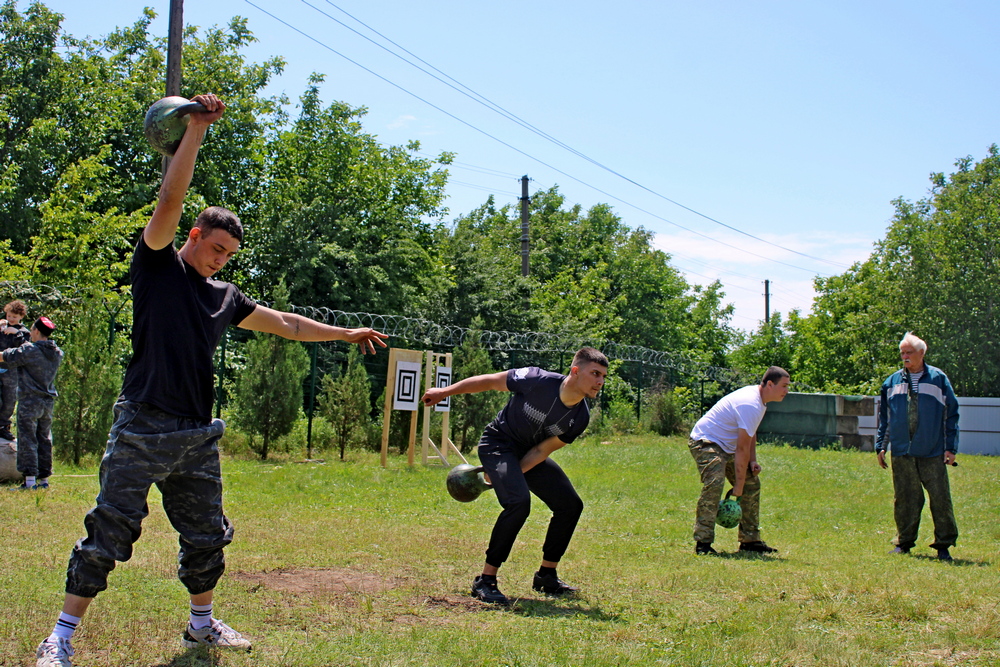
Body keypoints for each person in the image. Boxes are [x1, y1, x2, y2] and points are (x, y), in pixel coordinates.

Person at [34, 94, 388, 667]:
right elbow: (170, 199)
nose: (220, 260)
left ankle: (201, 627)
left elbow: (287, 324)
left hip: (197, 434)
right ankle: (61, 637)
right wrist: (196, 129)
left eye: (229, 255)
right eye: (215, 248)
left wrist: (345, 333)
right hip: (143, 423)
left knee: (206, 535)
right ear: (194, 235)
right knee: (111, 531)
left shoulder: (224, 296)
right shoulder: (158, 266)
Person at [421, 347, 608, 606]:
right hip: (498, 444)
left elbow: (541, 451)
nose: (600, 381)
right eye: (595, 373)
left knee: (570, 505)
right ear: (575, 371)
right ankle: (485, 580)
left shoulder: (580, 417)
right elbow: (490, 381)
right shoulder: (536, 379)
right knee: (518, 503)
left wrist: (510, 475)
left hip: (529, 453)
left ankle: (546, 576)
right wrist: (444, 392)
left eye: (603, 376)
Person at [688, 366, 790, 555]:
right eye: (784, 386)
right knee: (715, 483)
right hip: (706, 441)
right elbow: (742, 448)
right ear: (770, 384)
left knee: (752, 484)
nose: (787, 390)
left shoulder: (760, 402)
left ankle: (750, 541)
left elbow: (750, 434)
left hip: (727, 445)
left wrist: (753, 461)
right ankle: (703, 543)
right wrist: (738, 485)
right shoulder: (750, 403)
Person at [876, 332, 959, 561]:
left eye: (909, 352)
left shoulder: (938, 379)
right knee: (905, 499)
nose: (905, 356)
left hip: (932, 450)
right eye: (902, 352)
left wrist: (950, 448)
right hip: (902, 451)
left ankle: (943, 545)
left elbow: (951, 414)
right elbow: (885, 418)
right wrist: (881, 446)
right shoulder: (891, 382)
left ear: (922, 353)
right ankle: (904, 542)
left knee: (940, 498)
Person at [1, 316, 62, 490]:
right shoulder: (56, 352)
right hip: (47, 402)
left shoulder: (29, 350)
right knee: (44, 439)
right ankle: (44, 480)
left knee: (27, 439)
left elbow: (5, 357)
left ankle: (29, 481)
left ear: (35, 330)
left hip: (29, 401)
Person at [0, 299, 32, 441]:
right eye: (9, 316)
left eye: (14, 316)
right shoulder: (2, 327)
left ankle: (3, 426)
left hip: (12, 371)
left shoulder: (24, 332)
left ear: (21, 316)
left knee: (9, 400)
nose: (11, 319)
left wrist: (16, 333)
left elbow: (26, 349)